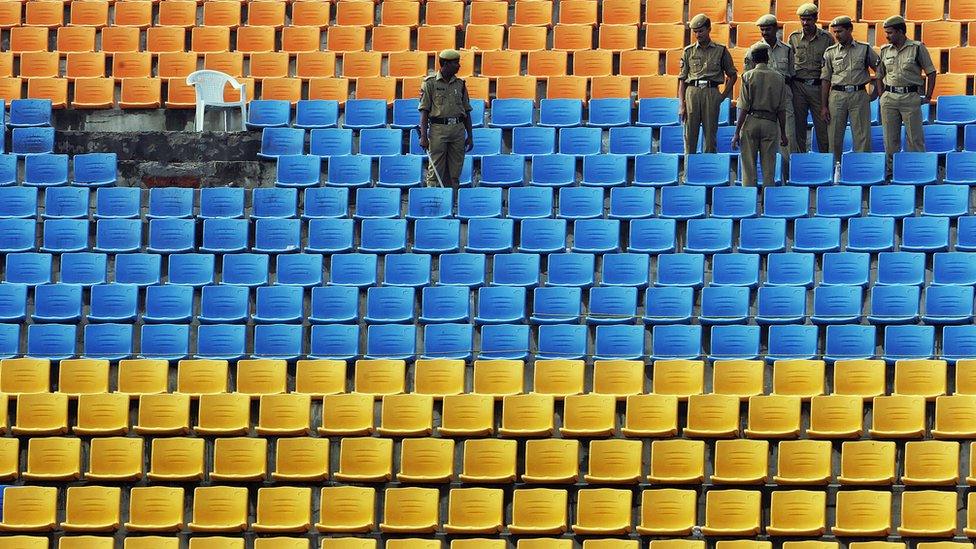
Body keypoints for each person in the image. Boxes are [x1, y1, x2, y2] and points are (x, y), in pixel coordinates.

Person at [877, 15, 937, 158]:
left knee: (915, 139)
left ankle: (916, 173)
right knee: (890, 141)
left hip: (910, 97)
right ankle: (892, 174)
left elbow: (931, 72)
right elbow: (879, 75)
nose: (887, 36)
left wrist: (928, 96)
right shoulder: (885, 50)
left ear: (900, 31)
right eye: (886, 32)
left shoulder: (917, 48)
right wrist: (881, 95)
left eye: (890, 32)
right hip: (889, 98)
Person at [821, 15, 879, 162]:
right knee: (834, 136)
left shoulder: (864, 49)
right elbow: (825, 79)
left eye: (840, 31)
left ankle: (863, 169)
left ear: (850, 29)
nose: (836, 35)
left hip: (859, 94)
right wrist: (824, 106)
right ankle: (835, 170)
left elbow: (880, 70)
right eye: (834, 32)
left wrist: (876, 92)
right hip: (837, 95)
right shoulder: (830, 52)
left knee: (862, 136)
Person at [678, 13, 738, 156]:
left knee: (710, 135)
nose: (698, 34)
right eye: (695, 32)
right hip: (693, 92)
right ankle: (689, 171)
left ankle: (709, 171)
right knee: (690, 135)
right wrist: (682, 104)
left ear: (709, 29)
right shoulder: (688, 51)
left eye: (701, 31)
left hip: (712, 92)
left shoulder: (721, 50)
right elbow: (682, 79)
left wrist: (722, 96)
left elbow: (733, 75)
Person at [744, 14, 794, 181]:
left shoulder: (787, 50)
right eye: (762, 29)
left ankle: (786, 178)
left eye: (768, 29)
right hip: (760, 102)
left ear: (776, 29)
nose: (764, 32)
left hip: (783, 100)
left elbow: (792, 74)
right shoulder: (754, 50)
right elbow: (748, 77)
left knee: (787, 139)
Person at [733, 44, 790, 187]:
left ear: (753, 59)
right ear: (768, 58)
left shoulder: (747, 76)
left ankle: (750, 203)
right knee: (769, 169)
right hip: (770, 123)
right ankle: (768, 204)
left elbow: (744, 107)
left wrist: (736, 132)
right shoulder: (779, 78)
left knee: (749, 168)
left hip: (751, 121)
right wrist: (783, 133)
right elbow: (782, 109)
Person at [418, 49, 474, 188]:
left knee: (455, 172)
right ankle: (434, 203)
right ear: (445, 64)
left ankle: (452, 203)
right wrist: (423, 136)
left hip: (458, 130)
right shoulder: (430, 83)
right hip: (438, 130)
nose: (459, 66)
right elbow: (424, 111)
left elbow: (466, 111)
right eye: (455, 63)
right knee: (435, 171)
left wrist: (470, 135)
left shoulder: (460, 84)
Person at [789, 2, 834, 154]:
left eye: (808, 19)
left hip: (818, 87)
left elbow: (831, 63)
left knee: (822, 127)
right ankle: (800, 161)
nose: (805, 23)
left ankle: (824, 161)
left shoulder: (827, 38)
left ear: (816, 18)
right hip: (798, 86)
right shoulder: (794, 37)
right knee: (798, 128)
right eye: (802, 19)